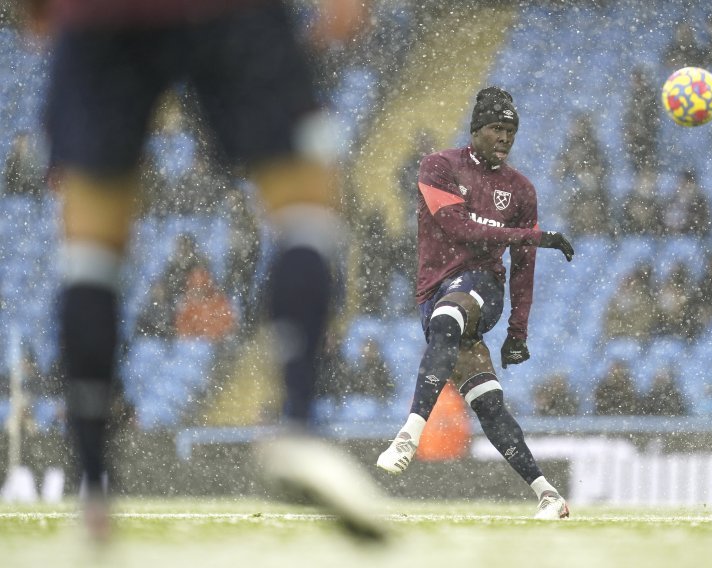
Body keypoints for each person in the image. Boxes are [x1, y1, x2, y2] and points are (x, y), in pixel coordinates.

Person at [29, 0, 385, 542]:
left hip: (99, 18)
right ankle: (297, 424)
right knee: (306, 211)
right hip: (229, 15)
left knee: (92, 251)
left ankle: (93, 486)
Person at [376, 86, 574, 520]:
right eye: (496, 129)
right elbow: (460, 229)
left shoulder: (521, 190)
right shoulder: (438, 167)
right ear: (476, 129)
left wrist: (518, 332)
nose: (504, 138)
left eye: (510, 131)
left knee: (450, 315)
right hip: (433, 292)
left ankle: (409, 434)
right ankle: (549, 495)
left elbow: (523, 269)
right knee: (488, 403)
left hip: (483, 288)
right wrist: (536, 237)